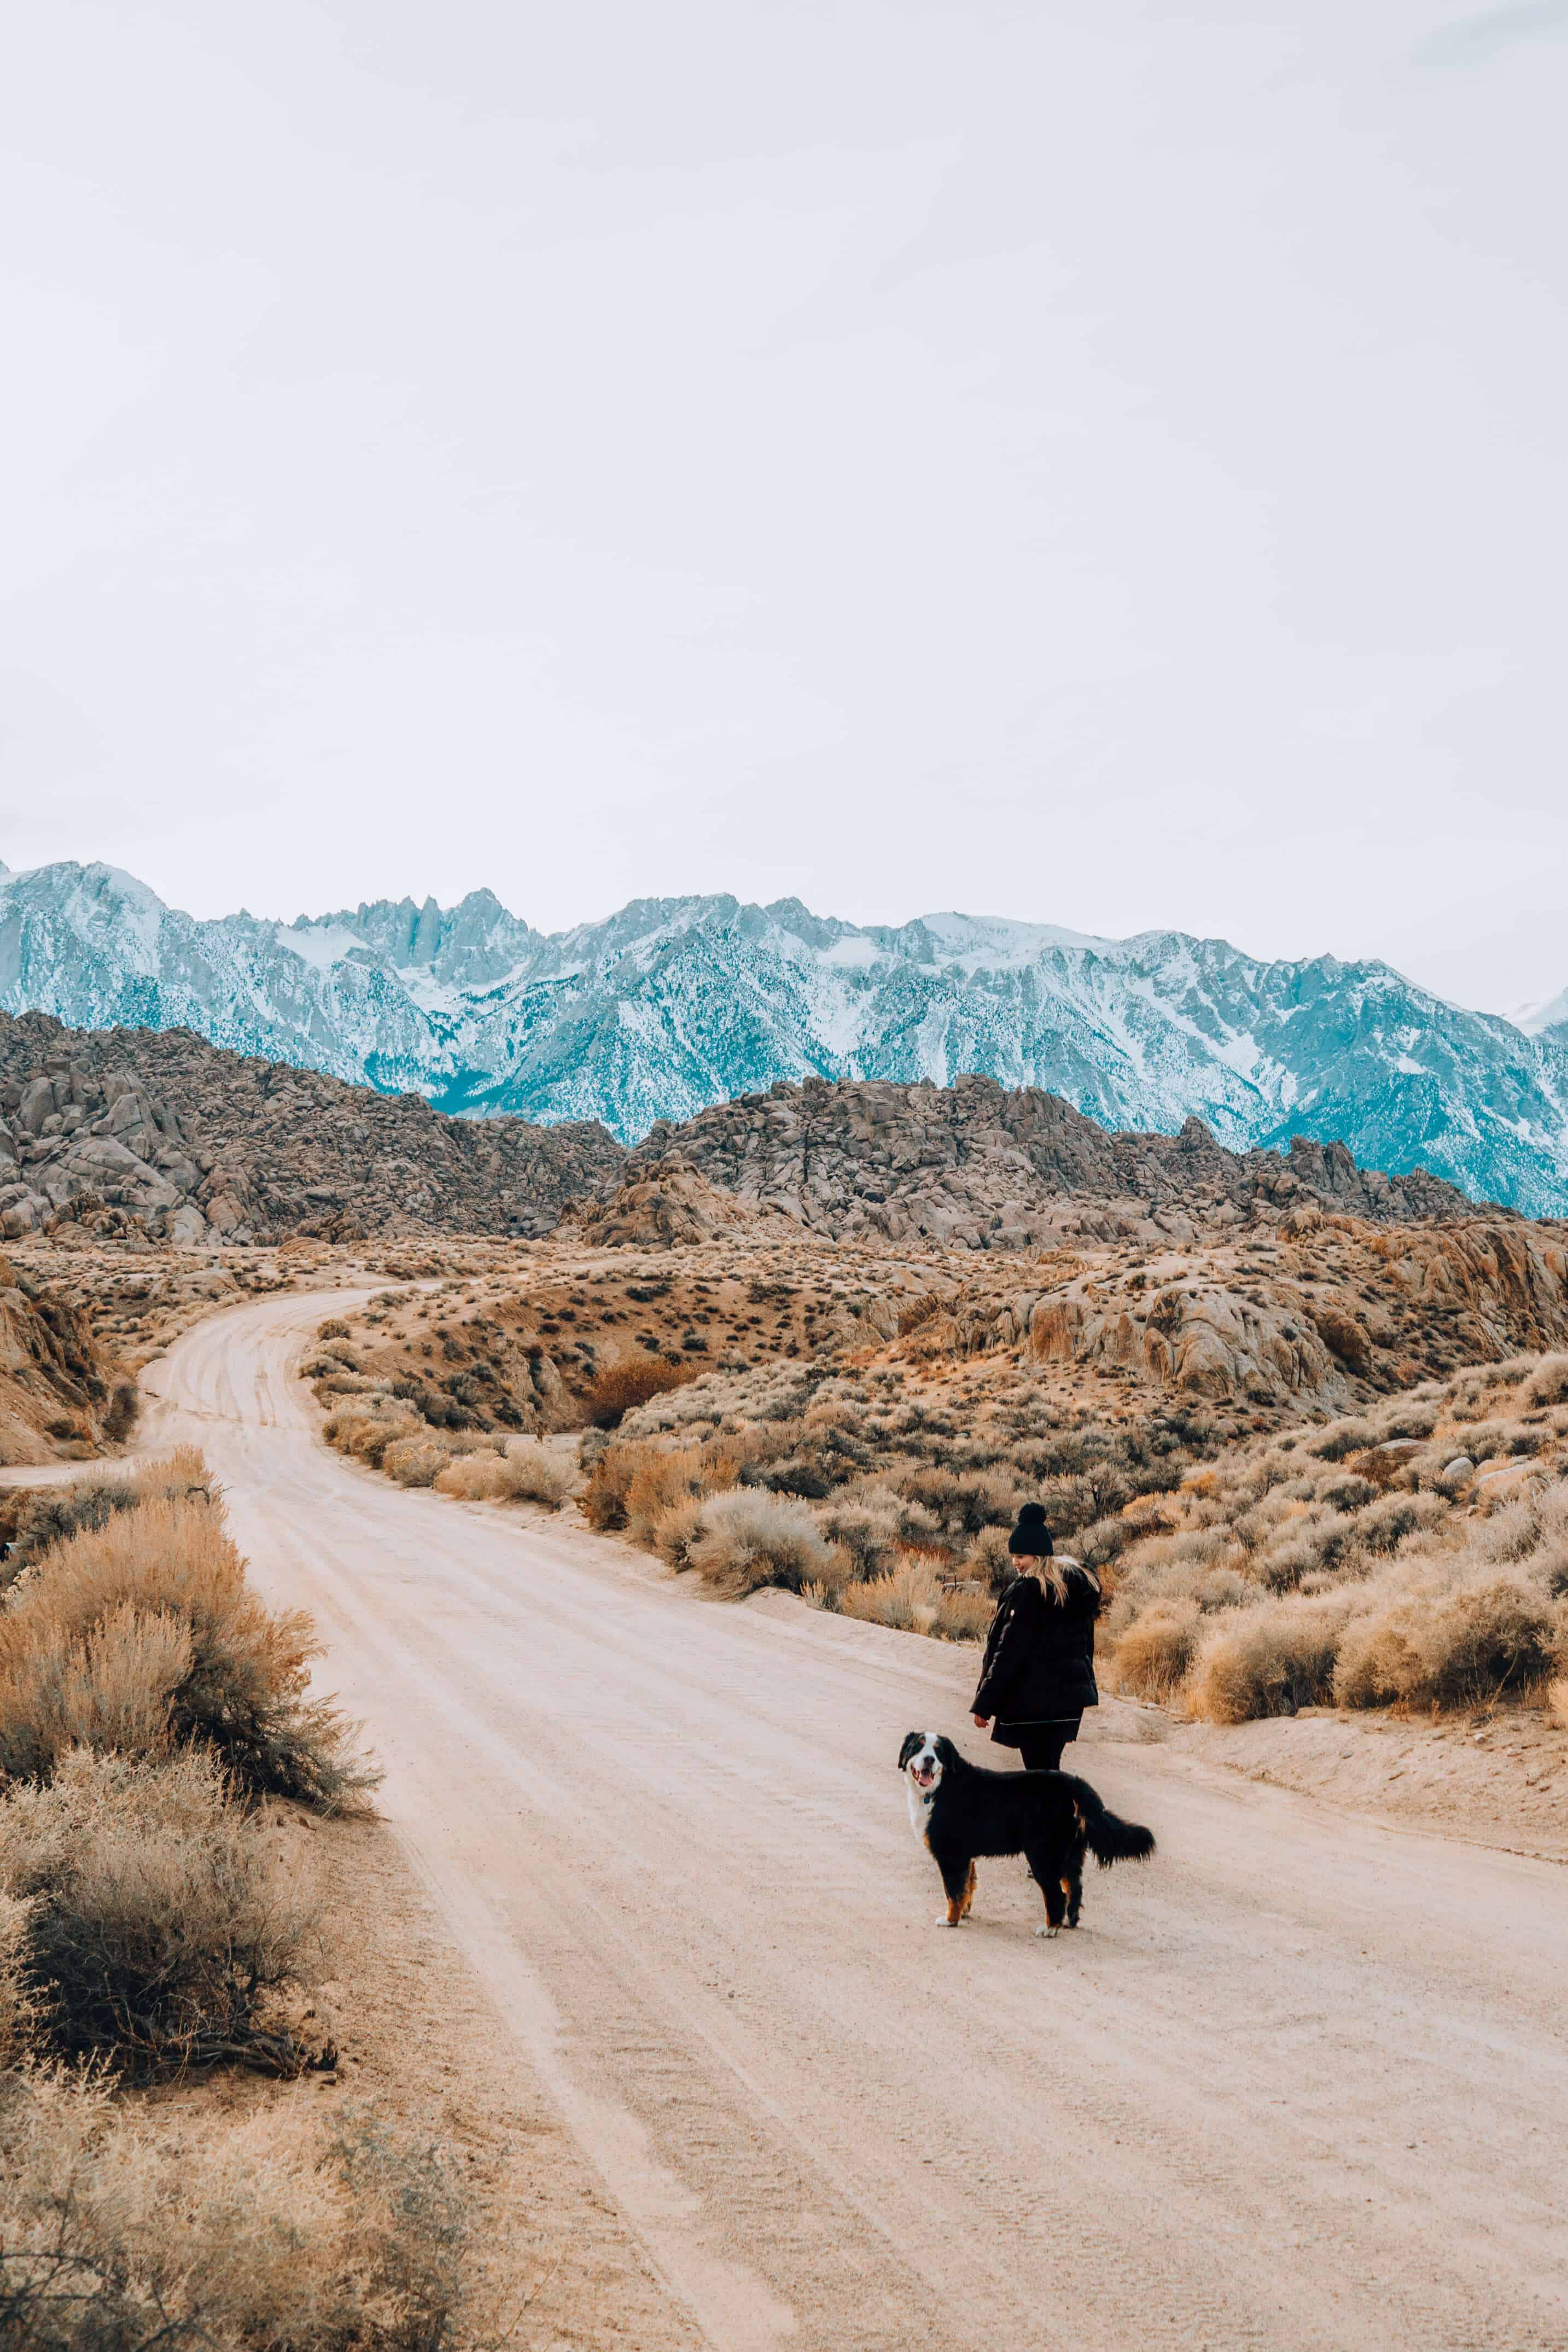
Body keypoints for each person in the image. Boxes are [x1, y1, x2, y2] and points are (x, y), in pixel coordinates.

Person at [969, 1503, 1100, 1774]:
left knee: (1040, 1774)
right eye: (1013, 1556)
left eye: (1021, 1556)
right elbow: (1087, 1648)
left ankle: (1060, 1816)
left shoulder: (1029, 1593)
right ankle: (1062, 1815)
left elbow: (1009, 1651)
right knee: (1048, 1770)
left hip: (1035, 1702)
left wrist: (985, 1703)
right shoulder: (1071, 1589)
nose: (1015, 1562)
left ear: (1039, 1557)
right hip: (1067, 1703)